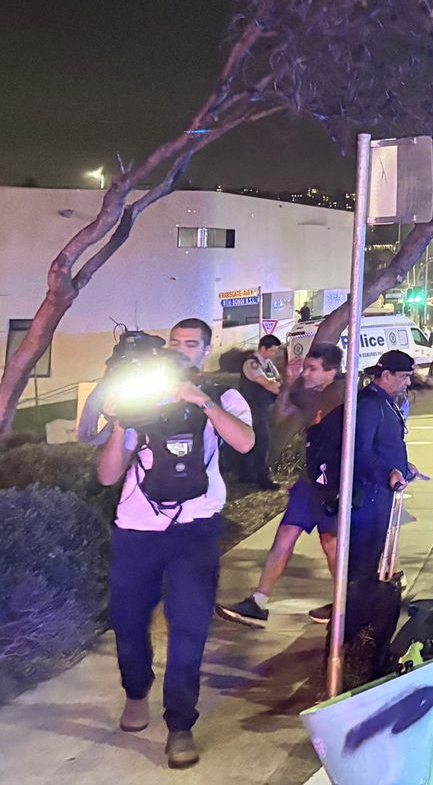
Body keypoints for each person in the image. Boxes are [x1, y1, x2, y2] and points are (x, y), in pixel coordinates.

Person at [95, 318, 255, 770]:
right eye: (175, 343)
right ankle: (135, 689)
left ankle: (180, 725)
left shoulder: (223, 397)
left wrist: (200, 401)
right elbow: (108, 475)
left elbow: (244, 442)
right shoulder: (141, 401)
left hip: (195, 531)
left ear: (205, 350)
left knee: (188, 627)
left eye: (192, 344)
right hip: (136, 530)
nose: (182, 350)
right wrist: (120, 424)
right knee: (127, 620)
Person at [217, 344, 345, 629]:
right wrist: (290, 380)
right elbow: (282, 413)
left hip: (333, 480)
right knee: (286, 532)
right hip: (310, 479)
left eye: (312, 369)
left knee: (331, 543)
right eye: (306, 367)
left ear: (331, 372)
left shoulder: (340, 394)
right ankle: (259, 601)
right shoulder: (312, 393)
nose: (306, 373)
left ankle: (344, 602)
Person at [345, 350, 414, 581]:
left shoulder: (384, 401)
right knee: (363, 557)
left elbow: (384, 443)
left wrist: (403, 466)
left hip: (380, 490)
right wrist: (389, 471)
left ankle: (359, 603)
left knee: (373, 554)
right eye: (404, 376)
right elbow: (360, 449)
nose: (408, 382)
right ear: (386, 374)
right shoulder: (369, 404)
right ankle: (353, 609)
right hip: (369, 494)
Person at [230, 334, 284, 489]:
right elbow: (269, 384)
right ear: (263, 348)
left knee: (256, 441)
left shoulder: (266, 363)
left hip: (261, 408)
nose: (274, 354)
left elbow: (277, 380)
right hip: (251, 409)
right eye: (272, 351)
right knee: (262, 442)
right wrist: (275, 385)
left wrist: (276, 384)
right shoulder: (252, 363)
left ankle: (246, 475)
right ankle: (262, 479)